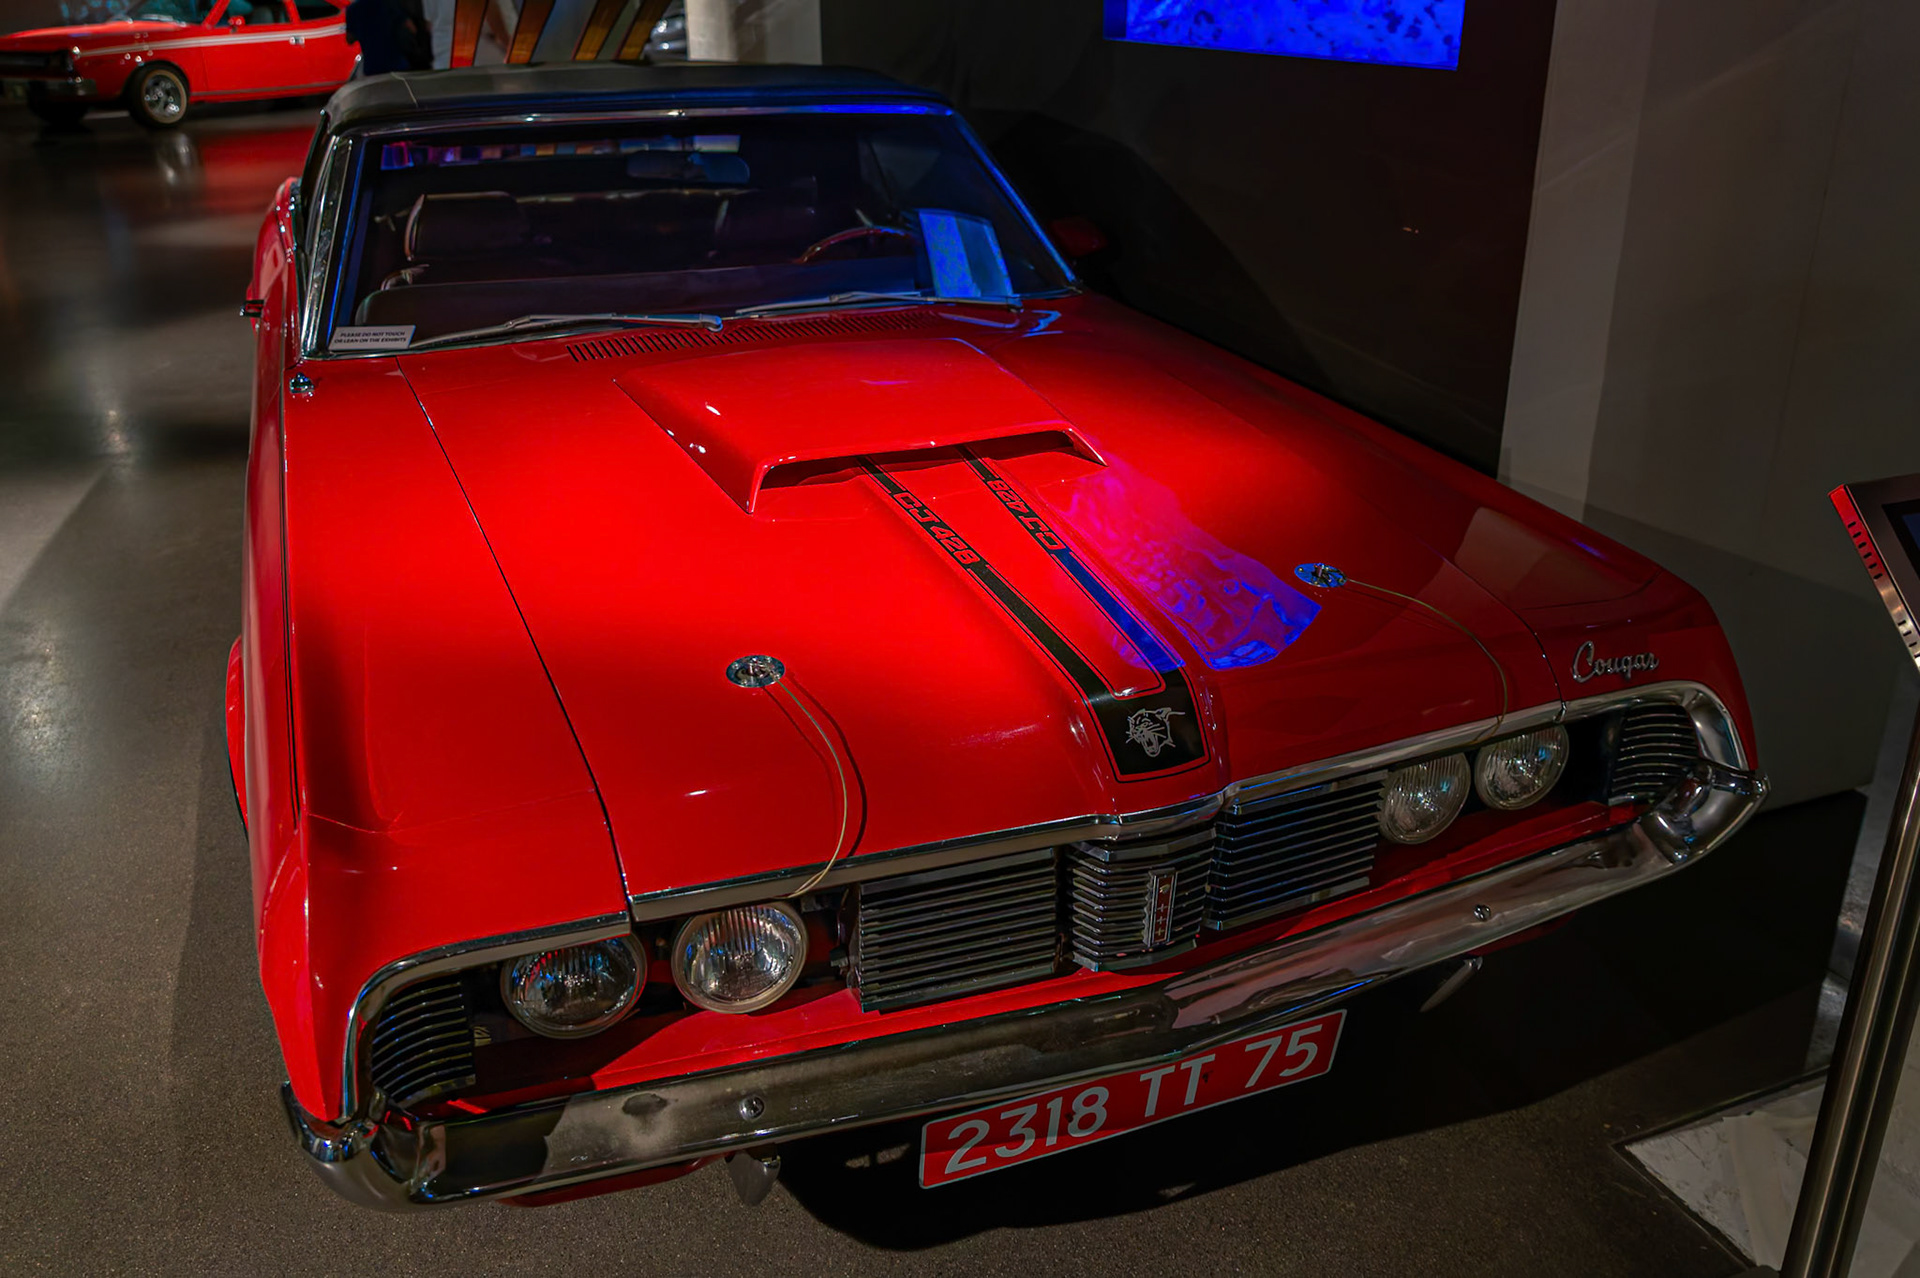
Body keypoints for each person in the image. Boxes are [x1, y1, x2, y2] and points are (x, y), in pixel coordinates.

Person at [345, 0, 428, 74]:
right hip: (397, 64)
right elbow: (411, 28)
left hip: (372, 67)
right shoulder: (390, 3)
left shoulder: (353, 9)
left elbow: (349, 39)